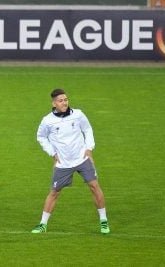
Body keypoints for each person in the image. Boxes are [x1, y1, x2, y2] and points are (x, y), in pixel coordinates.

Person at [31, 89, 110, 234]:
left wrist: (89, 148)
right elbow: (40, 137)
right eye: (61, 101)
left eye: (66, 99)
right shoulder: (47, 120)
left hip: (82, 158)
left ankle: (103, 221)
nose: (65, 102)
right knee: (54, 192)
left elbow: (87, 129)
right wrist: (52, 153)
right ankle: (43, 224)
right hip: (63, 163)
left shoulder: (78, 115)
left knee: (94, 185)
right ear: (54, 103)